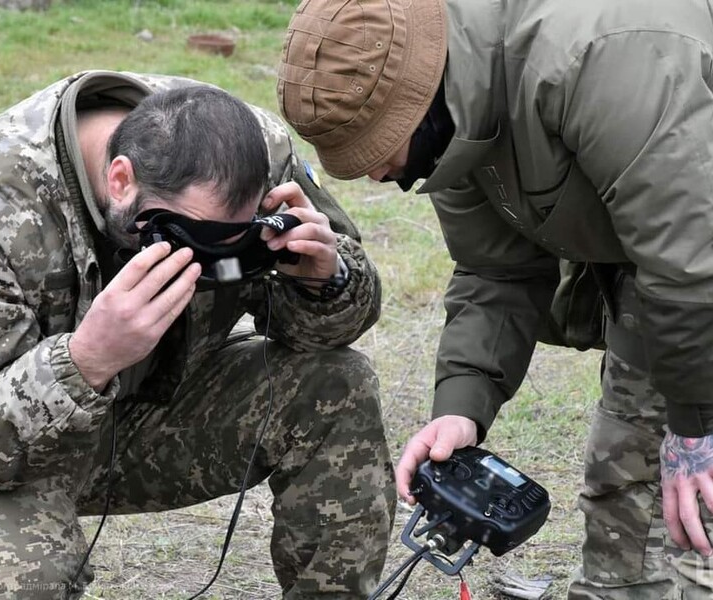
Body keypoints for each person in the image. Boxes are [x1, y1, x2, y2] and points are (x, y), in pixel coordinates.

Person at [277, 0, 713, 598]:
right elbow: (495, 269)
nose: (375, 174)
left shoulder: (604, 52)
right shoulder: (453, 115)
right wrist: (462, 403)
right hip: (670, 263)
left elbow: (693, 257)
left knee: (701, 506)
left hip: (697, 254)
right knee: (627, 483)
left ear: (422, 97)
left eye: (378, 148)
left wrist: (696, 426)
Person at [0, 70, 396, 599]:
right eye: (185, 239)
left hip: (148, 407)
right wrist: (87, 360)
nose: (208, 262)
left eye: (228, 246)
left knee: (337, 384)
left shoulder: (258, 155)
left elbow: (339, 322)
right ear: (121, 180)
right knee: (18, 572)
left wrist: (328, 281)